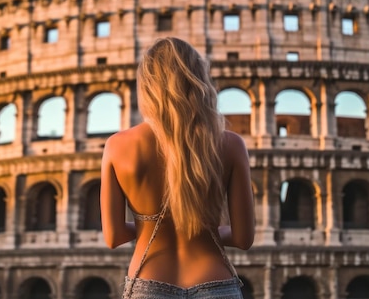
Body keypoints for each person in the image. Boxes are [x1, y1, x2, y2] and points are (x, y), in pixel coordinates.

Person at [101, 37, 255, 299]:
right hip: (216, 283)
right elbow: (243, 237)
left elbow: (113, 236)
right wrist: (195, 224)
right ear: (199, 80)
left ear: (147, 85)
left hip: (148, 282)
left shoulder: (117, 146)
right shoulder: (231, 144)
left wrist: (146, 226)